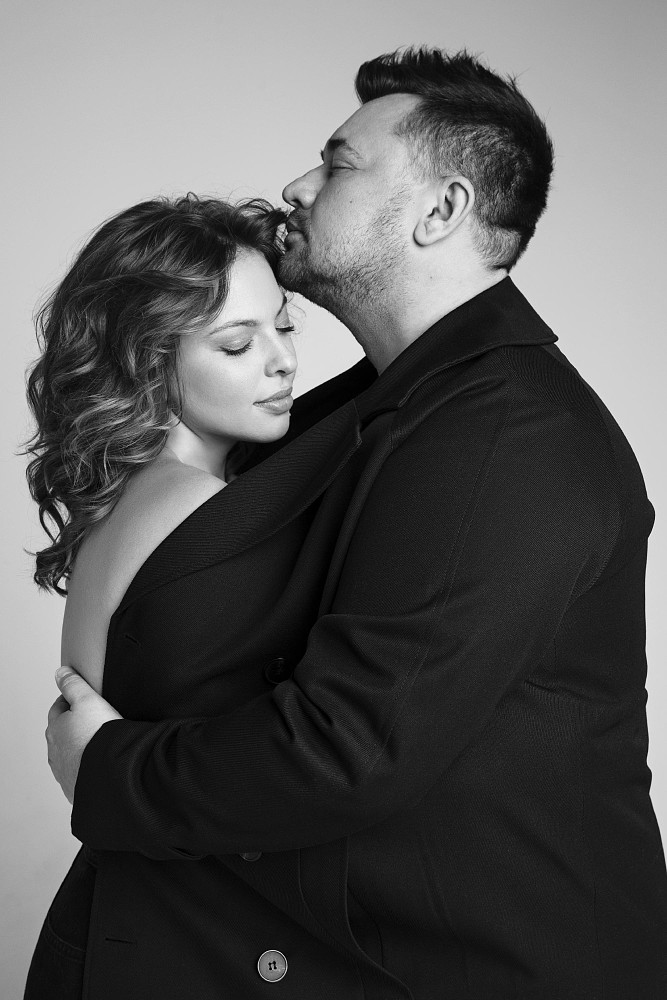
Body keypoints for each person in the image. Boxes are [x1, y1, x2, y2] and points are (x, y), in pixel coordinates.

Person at [44, 47, 667, 1000]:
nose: (299, 185)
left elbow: (347, 749)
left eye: (338, 164)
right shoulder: (385, 406)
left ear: (441, 210)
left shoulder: (505, 434)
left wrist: (109, 771)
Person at [23, 194, 299, 997]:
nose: (281, 360)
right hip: (178, 942)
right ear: (150, 363)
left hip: (123, 918)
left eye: (284, 326)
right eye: (238, 343)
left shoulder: (127, 497)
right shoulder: (200, 511)